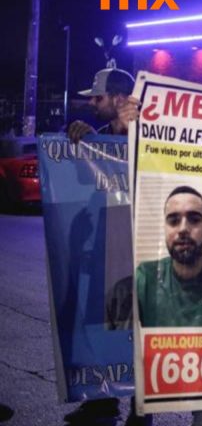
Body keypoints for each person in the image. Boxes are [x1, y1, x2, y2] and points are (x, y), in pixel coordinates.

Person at [63, 67, 148, 426]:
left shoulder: (148, 136)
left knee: (139, 327)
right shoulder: (96, 138)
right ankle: (103, 398)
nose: (92, 104)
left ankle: (140, 409)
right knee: (106, 322)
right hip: (107, 243)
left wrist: (134, 134)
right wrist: (76, 142)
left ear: (117, 98)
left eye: (97, 97)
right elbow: (79, 184)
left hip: (141, 243)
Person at [136, 186, 202, 328]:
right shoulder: (145, 279)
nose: (183, 229)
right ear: (165, 229)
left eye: (194, 220)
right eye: (174, 221)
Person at [68, 67, 136, 142]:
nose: (91, 102)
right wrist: (94, 141)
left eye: (98, 98)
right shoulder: (102, 132)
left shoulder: (143, 136)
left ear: (119, 100)